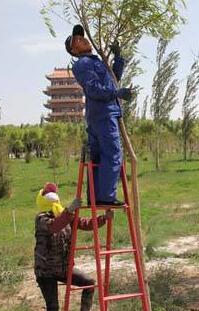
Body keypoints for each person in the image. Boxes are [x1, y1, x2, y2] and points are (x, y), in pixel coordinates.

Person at [65, 24, 133, 206]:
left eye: (82, 36)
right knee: (113, 153)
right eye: (77, 39)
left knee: (98, 157)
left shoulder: (95, 62)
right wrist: (116, 94)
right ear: (74, 50)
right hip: (103, 113)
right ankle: (106, 197)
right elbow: (94, 89)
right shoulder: (83, 64)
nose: (83, 38)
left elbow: (113, 79)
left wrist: (118, 58)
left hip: (102, 113)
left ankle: (96, 196)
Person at [34, 182, 112, 311]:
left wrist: (103, 218)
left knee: (89, 283)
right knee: (53, 307)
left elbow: (84, 223)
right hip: (45, 271)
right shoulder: (41, 219)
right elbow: (54, 226)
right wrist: (68, 211)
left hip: (63, 267)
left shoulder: (63, 214)